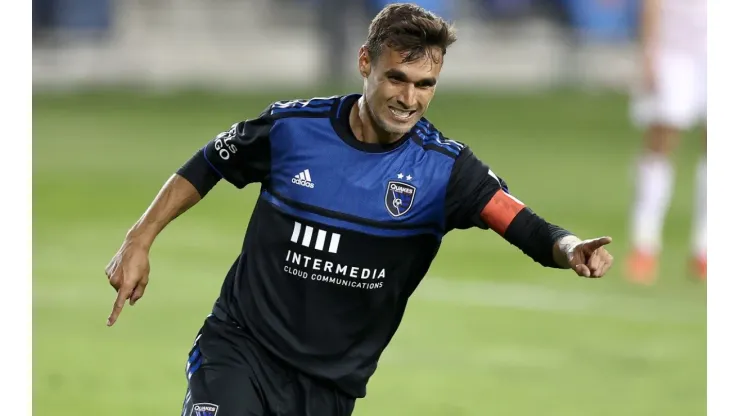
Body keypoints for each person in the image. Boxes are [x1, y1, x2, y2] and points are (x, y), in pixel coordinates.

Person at [104, 4, 614, 415]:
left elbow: (521, 222)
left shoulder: (444, 170)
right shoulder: (292, 129)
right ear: (365, 62)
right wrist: (139, 239)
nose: (409, 98)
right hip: (240, 349)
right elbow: (211, 162)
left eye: (425, 85)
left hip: (331, 386)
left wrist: (569, 248)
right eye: (397, 78)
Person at [626, 0, 707, 284]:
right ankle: (644, 243)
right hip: (674, 49)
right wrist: (650, 51)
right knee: (661, 141)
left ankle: (704, 247)